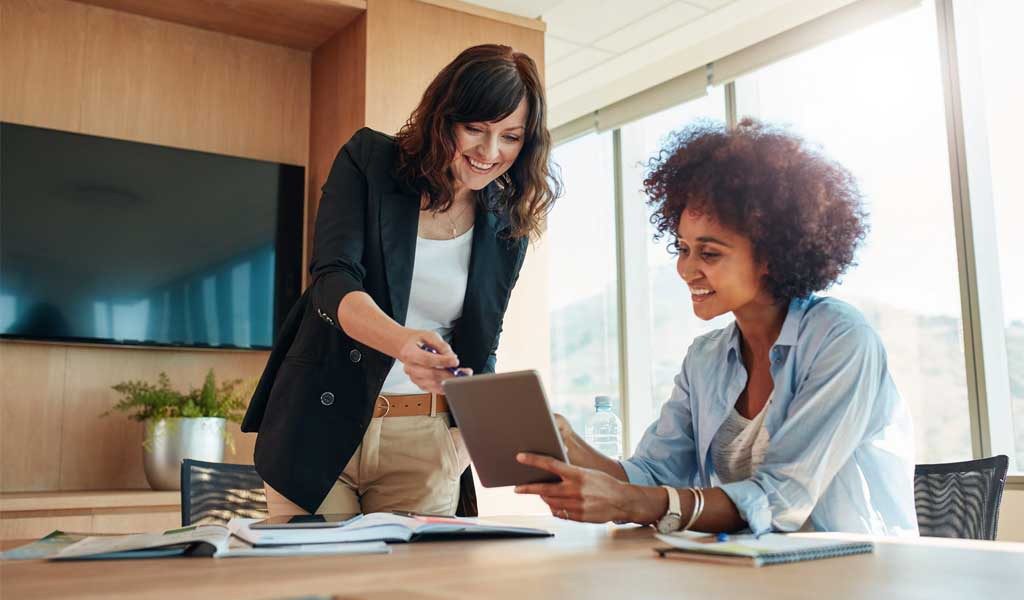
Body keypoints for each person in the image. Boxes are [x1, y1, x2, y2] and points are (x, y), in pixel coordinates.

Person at [515, 119, 918, 536]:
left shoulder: (841, 340)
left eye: (709, 253)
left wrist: (632, 502)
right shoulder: (706, 359)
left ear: (771, 256)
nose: (687, 269)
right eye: (683, 248)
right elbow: (654, 476)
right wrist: (570, 446)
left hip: (859, 574)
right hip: (757, 571)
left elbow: (780, 499)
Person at [242, 44, 560, 518]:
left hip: (425, 443)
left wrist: (463, 447)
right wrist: (401, 342)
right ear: (444, 118)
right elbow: (333, 281)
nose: (490, 152)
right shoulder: (370, 162)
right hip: (319, 424)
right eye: (474, 129)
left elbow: (480, 346)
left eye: (510, 137)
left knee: (413, 591)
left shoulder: (504, 226)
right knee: (313, 585)